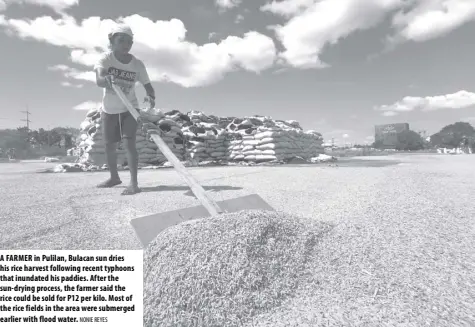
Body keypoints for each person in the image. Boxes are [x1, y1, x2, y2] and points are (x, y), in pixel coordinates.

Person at [94, 24, 155, 195]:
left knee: (129, 143)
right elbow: (99, 80)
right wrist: (106, 79)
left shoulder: (137, 64)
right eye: (121, 40)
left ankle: (134, 184)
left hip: (130, 109)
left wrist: (151, 97)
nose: (126, 45)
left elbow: (149, 86)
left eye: (129, 41)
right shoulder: (105, 59)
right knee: (109, 145)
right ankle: (114, 177)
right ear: (112, 41)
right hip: (109, 109)